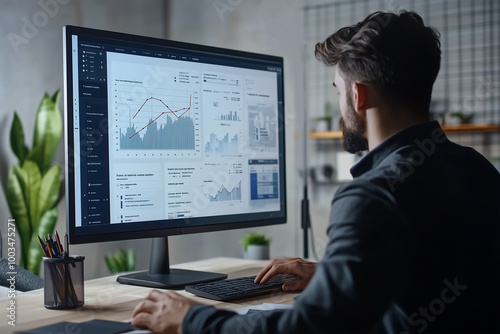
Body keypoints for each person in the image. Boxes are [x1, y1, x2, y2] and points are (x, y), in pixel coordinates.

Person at [131, 10, 500, 334]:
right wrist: (331, 277)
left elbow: (310, 327)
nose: (340, 106)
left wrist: (191, 320)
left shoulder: (373, 195)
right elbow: (426, 271)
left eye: (338, 90)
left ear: (358, 95)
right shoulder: (477, 169)